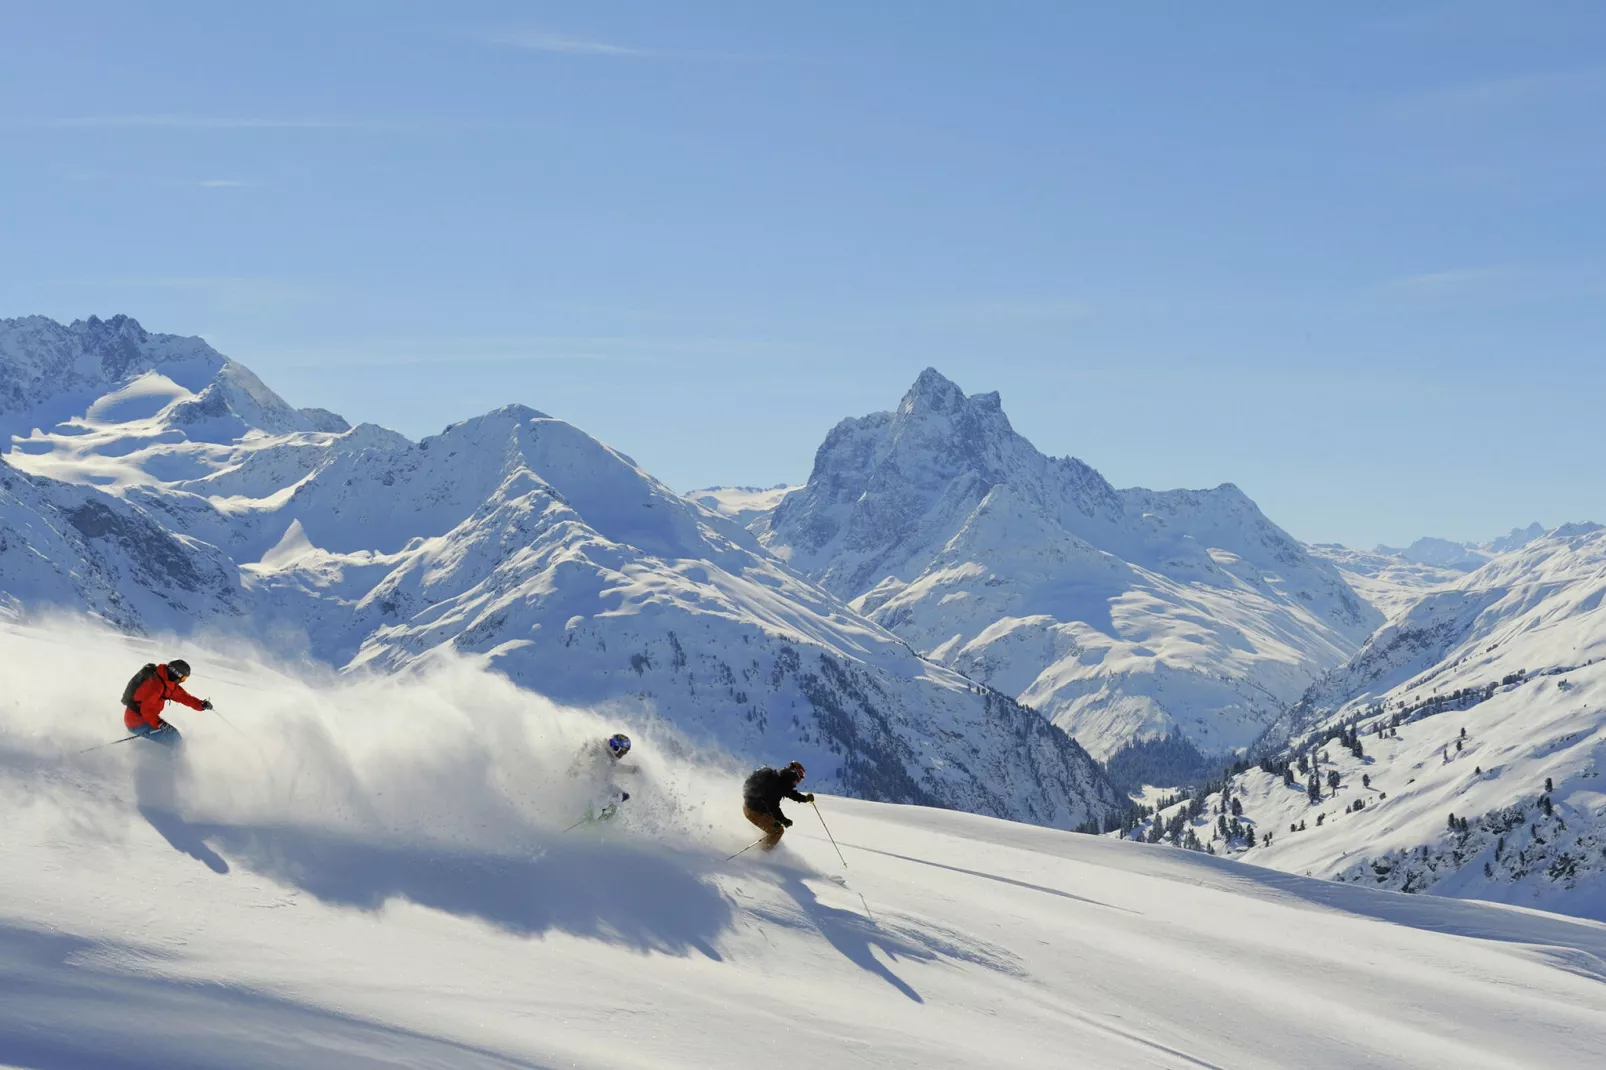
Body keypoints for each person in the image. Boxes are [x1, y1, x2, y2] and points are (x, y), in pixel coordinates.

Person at [122, 659, 212, 748]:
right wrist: (160, 724)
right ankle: (171, 760)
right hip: (136, 722)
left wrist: (200, 704)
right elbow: (146, 710)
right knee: (174, 739)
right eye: (183, 678)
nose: (182, 681)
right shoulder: (155, 686)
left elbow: (183, 696)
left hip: (145, 719)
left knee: (174, 736)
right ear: (176, 674)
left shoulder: (167, 682)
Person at [742, 760, 814, 850]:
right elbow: (773, 806)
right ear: (794, 774)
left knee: (774, 827)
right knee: (778, 831)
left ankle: (763, 846)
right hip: (754, 811)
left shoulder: (779, 779)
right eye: (798, 779)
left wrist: (805, 799)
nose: (797, 782)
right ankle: (763, 853)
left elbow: (790, 793)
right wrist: (782, 819)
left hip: (751, 806)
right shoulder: (778, 785)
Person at [568, 732, 638, 821]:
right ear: (616, 747)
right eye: (622, 752)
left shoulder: (608, 757)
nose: (622, 755)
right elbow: (587, 759)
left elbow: (616, 767)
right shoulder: (602, 753)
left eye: (624, 753)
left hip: (598, 785)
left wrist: (632, 770)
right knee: (619, 796)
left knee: (623, 796)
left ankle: (598, 815)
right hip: (587, 783)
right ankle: (589, 814)